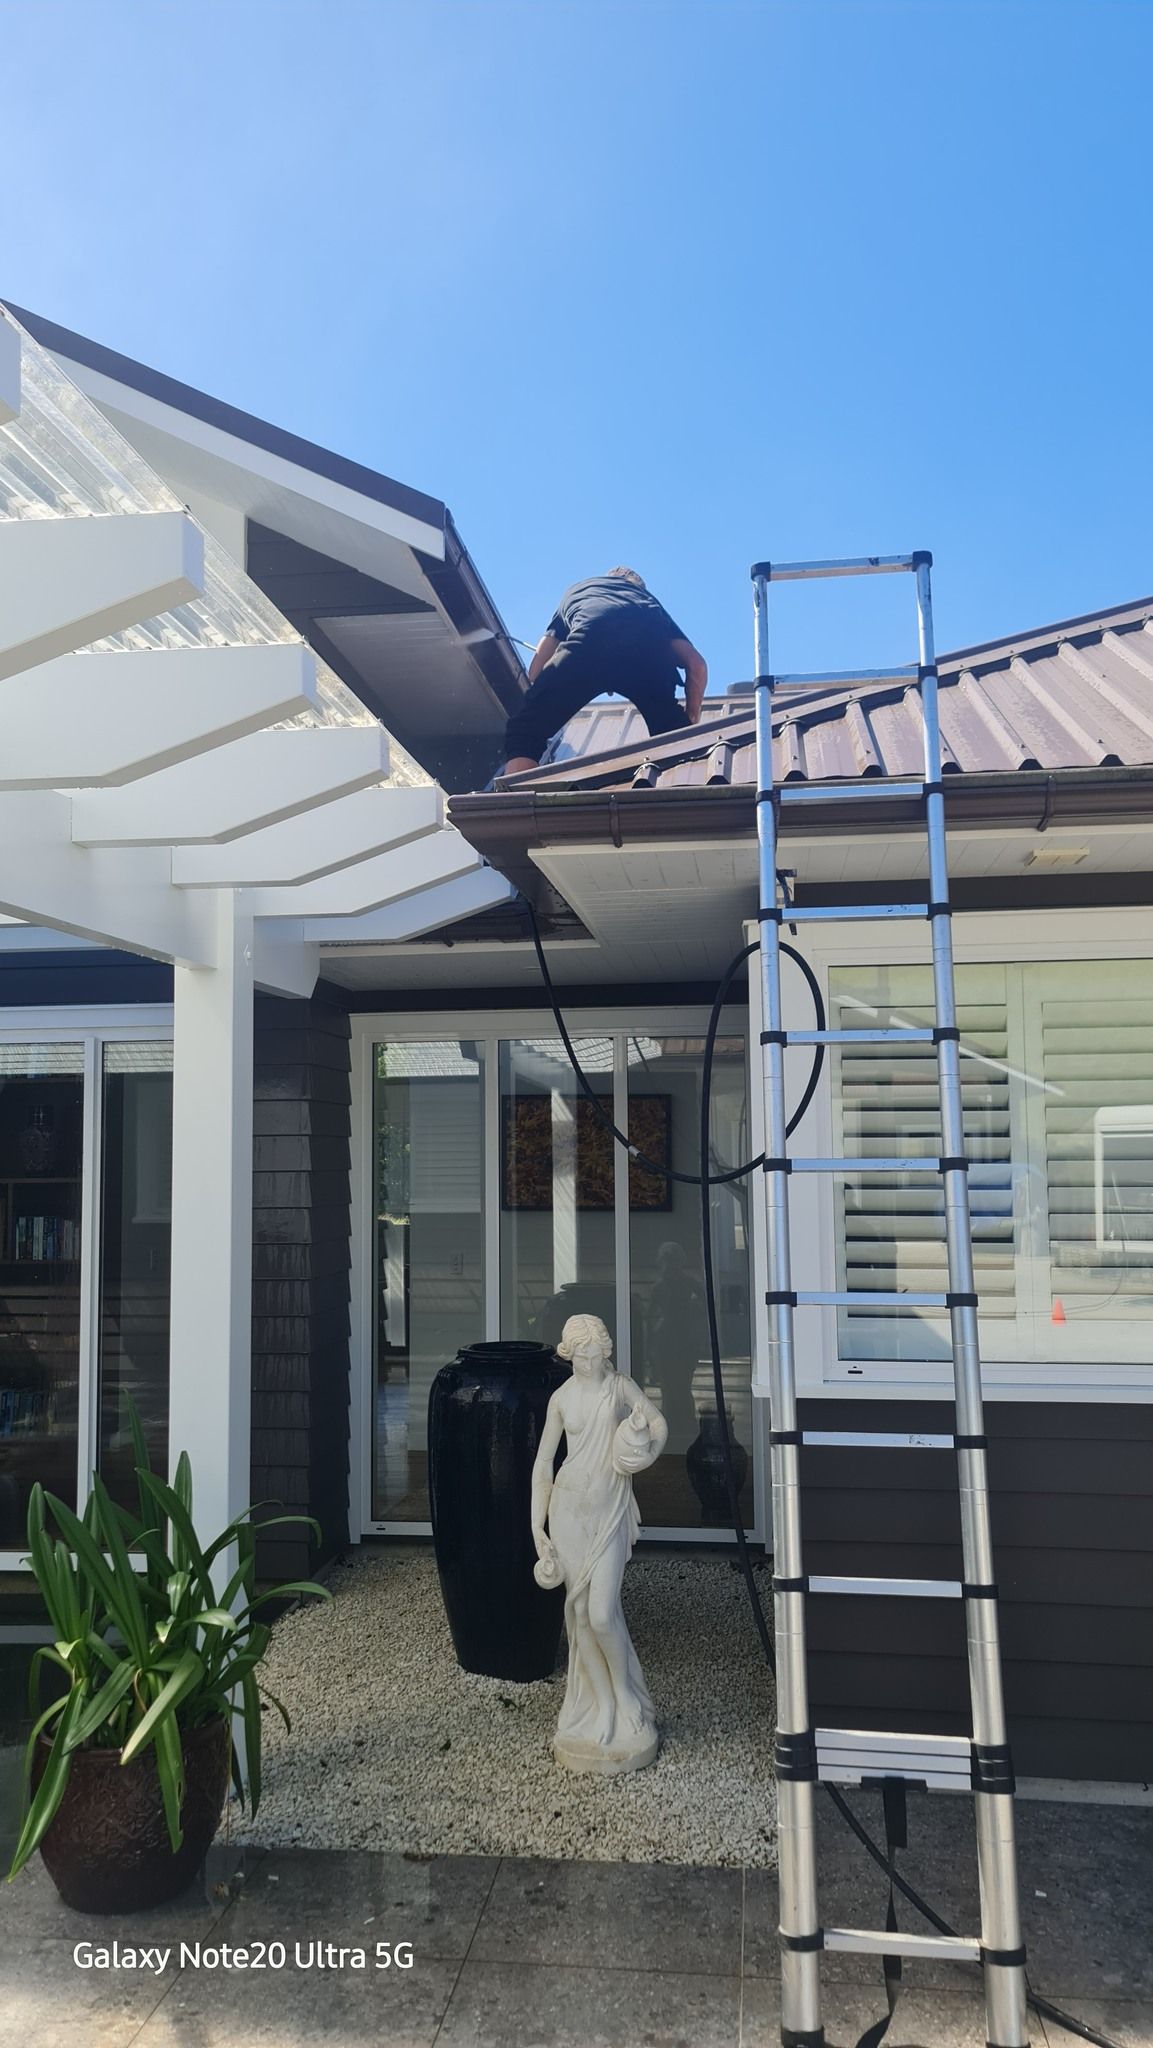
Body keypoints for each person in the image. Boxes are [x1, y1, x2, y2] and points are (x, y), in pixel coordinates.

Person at [530, 1312, 667, 1774]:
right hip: (568, 1512)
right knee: (579, 1617)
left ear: (604, 1352)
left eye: (594, 1353)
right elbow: (544, 1465)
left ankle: (626, 1693)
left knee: (603, 1611)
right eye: (580, 1354)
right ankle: (603, 1704)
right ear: (569, 1353)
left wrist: (641, 1457)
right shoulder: (562, 1398)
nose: (587, 1362)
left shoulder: (619, 1387)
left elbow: (659, 1425)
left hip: (608, 1509)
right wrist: (537, 1530)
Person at [502, 567, 708, 775]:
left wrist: (554, 689)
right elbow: (697, 665)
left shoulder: (579, 591)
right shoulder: (646, 601)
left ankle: (516, 798)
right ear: (636, 586)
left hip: (587, 644)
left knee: (525, 731)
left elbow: (536, 670)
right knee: (674, 738)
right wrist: (690, 722)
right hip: (646, 651)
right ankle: (682, 791)